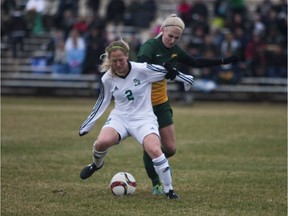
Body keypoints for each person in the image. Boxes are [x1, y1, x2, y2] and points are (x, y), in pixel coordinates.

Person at [137, 14, 239, 195]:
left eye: (177, 38)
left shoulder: (175, 49)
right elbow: (141, 67)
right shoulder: (150, 46)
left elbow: (195, 61)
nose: (172, 40)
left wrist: (223, 61)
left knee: (170, 149)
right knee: (155, 149)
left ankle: (152, 155)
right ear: (162, 30)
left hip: (161, 104)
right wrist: (165, 68)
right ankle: (156, 183)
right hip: (143, 106)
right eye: (170, 36)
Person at [78, 39, 194, 199]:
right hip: (120, 117)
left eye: (121, 60)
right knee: (101, 143)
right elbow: (102, 102)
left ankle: (169, 191)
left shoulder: (142, 69)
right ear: (109, 61)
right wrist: (87, 125)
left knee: (155, 150)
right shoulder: (107, 78)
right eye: (114, 61)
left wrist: (186, 79)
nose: (118, 64)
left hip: (143, 118)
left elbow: (166, 71)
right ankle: (96, 165)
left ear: (127, 56)